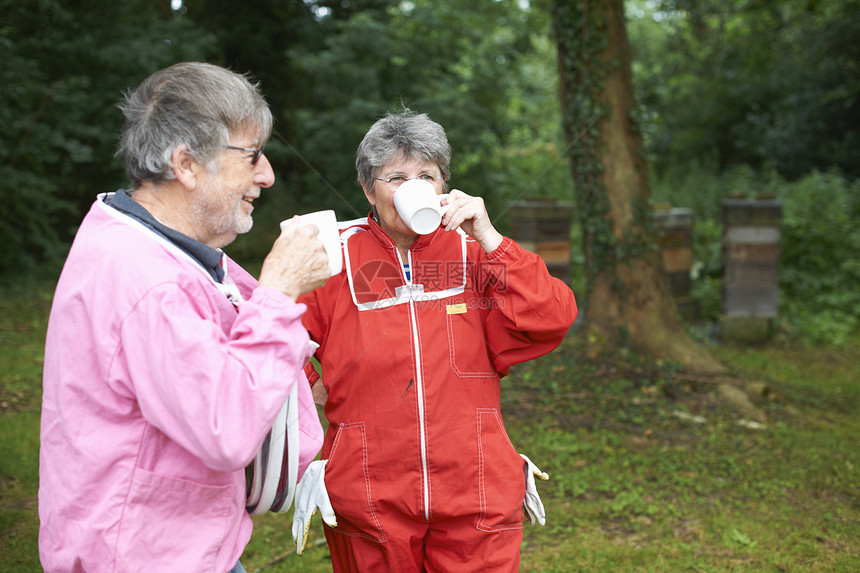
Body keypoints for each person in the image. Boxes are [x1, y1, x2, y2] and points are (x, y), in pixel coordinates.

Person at [38, 62, 329, 572]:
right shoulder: (146, 279)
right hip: (142, 556)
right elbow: (226, 428)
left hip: (183, 545)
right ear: (187, 164)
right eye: (253, 155)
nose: (267, 175)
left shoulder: (153, 242)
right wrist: (281, 291)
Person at [291, 109, 578, 572]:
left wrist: (490, 238)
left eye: (426, 175)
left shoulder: (475, 251)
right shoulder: (333, 255)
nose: (413, 188)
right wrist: (309, 385)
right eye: (397, 177)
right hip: (368, 491)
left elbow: (552, 316)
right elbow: (275, 330)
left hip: (476, 487)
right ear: (368, 188)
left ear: (444, 185)